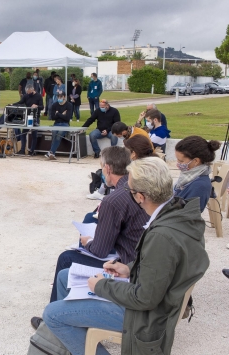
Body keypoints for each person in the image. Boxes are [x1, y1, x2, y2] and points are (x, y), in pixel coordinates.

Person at [40, 157, 209, 355]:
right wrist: (129, 268)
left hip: (146, 317)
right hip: (154, 300)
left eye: (129, 190)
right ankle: (76, 343)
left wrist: (103, 286)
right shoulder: (177, 211)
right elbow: (162, 266)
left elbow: (145, 299)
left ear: (140, 197)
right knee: (65, 276)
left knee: (51, 314)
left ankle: (78, 341)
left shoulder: (161, 236)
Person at [48, 146, 149, 302]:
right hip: (140, 254)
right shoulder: (135, 186)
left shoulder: (114, 199)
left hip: (129, 261)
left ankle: (54, 316)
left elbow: (100, 251)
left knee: (66, 258)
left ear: (107, 168)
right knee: (90, 219)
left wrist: (88, 242)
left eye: (101, 167)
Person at [174, 135, 221, 212]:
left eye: (181, 161)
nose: (177, 163)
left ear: (196, 161)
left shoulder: (200, 186)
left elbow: (188, 216)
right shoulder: (190, 176)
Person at [12, 84, 44, 155]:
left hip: (35, 117)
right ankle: (22, 150)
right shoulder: (26, 96)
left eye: (29, 92)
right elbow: (20, 102)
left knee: (34, 135)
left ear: (32, 90)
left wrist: (37, 106)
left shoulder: (38, 96)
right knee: (23, 133)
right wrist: (12, 104)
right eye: (27, 92)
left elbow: (42, 107)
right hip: (28, 117)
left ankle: (32, 150)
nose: (28, 94)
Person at [44, 92, 72, 160]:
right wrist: (62, 114)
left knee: (59, 134)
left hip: (65, 124)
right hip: (56, 123)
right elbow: (52, 117)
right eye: (58, 97)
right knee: (54, 134)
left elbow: (67, 118)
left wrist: (58, 114)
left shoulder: (69, 105)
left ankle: (50, 152)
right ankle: (52, 153)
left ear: (64, 97)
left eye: (61, 97)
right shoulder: (55, 105)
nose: (59, 98)